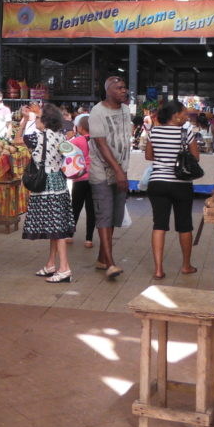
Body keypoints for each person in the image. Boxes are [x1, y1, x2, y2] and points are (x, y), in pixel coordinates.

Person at [144, 100, 199, 279]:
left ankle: (158, 269)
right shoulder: (186, 132)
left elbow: (148, 156)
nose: (186, 116)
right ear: (175, 116)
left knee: (159, 224)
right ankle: (186, 265)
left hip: (157, 182)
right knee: (184, 225)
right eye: (184, 113)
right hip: (181, 184)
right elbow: (196, 157)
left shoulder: (154, 131)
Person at [22, 103, 75, 283]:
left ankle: (64, 268)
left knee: (57, 230)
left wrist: (26, 120)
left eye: (38, 118)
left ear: (45, 121)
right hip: (59, 183)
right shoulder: (61, 136)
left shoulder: (36, 137)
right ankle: (51, 264)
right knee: (56, 227)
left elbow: (16, 139)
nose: (36, 120)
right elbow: (70, 154)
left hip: (45, 185)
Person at [89, 76, 133, 279]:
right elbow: (101, 144)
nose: (124, 91)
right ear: (108, 91)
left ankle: (102, 257)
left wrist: (122, 171)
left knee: (114, 216)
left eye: (124, 87)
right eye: (119, 88)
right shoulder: (97, 112)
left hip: (121, 170)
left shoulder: (125, 110)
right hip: (102, 172)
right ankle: (111, 263)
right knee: (104, 216)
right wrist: (117, 171)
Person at [69, 114, 95, 249]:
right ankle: (89, 239)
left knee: (75, 207)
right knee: (91, 209)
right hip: (94, 178)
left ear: (80, 128)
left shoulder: (77, 141)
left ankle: (69, 235)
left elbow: (63, 149)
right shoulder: (97, 140)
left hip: (80, 178)